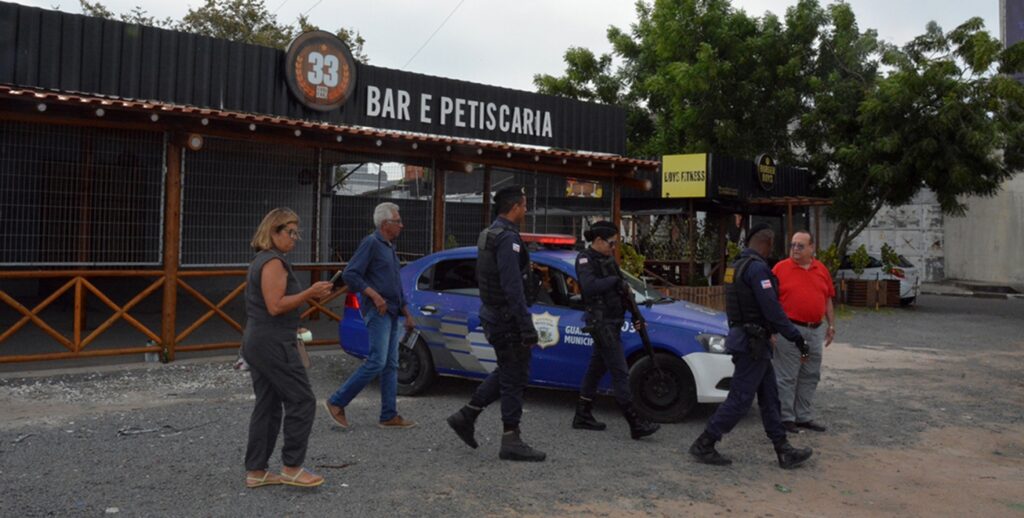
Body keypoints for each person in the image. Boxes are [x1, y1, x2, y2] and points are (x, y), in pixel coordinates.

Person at [688, 223, 814, 469]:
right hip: (752, 344)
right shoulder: (757, 269)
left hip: (748, 340)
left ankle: (783, 449)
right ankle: (704, 443)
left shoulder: (734, 266)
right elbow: (772, 310)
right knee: (740, 399)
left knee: (770, 397)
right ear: (766, 243)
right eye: (772, 245)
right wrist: (795, 337)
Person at [446, 186, 546, 462]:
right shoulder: (507, 239)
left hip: (494, 314)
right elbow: (512, 286)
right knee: (515, 378)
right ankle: (511, 439)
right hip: (507, 318)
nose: (526, 211)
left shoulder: (489, 234)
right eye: (525, 206)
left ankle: (466, 415)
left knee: (508, 370)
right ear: (515, 207)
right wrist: (526, 325)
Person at [242, 208, 334, 488]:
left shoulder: (263, 260)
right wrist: (309, 293)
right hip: (272, 343)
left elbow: (272, 308)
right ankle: (292, 467)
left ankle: (256, 471)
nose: (295, 238)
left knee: (268, 404)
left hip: (262, 339)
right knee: (302, 399)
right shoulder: (273, 262)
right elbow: (275, 305)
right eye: (290, 232)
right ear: (273, 231)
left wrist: (293, 324)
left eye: (297, 233)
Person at [324, 202, 417, 430]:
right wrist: (375, 296)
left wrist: (406, 311)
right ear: (385, 224)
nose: (401, 225)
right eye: (398, 221)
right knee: (377, 361)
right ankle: (337, 401)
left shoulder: (389, 247)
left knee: (390, 364)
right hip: (378, 312)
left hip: (392, 312)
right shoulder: (371, 244)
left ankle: (388, 415)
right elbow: (351, 274)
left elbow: (395, 284)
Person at [571, 221, 660, 439]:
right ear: (599, 241)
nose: (613, 248)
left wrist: (636, 315)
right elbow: (590, 287)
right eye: (611, 243)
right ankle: (635, 422)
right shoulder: (585, 259)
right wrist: (614, 282)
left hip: (613, 321)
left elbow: (623, 290)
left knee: (596, 369)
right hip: (602, 324)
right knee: (620, 371)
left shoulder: (608, 260)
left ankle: (582, 414)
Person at [772, 230, 835, 434]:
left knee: (809, 373)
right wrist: (772, 330)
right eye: (792, 245)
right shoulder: (780, 269)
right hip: (790, 333)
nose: (795, 249)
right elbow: (770, 301)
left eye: (800, 245)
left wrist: (831, 325)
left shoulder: (821, 269)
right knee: (787, 375)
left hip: (813, 333)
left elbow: (827, 299)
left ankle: (803, 416)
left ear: (812, 248)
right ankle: (786, 418)